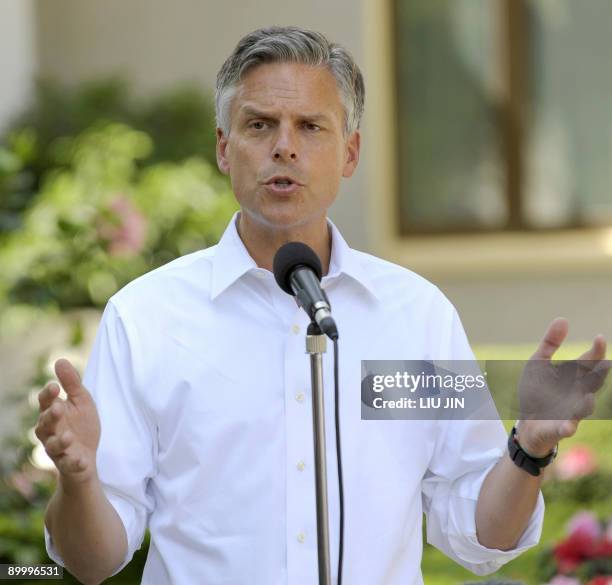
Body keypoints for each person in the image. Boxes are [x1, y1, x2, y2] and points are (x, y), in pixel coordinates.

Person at [36, 26, 608, 585]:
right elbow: (94, 561)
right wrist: (79, 479)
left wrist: (527, 448)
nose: (284, 145)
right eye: (259, 125)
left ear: (350, 152)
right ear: (223, 147)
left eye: (310, 126)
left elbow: (480, 535)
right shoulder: (146, 319)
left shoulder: (417, 317)